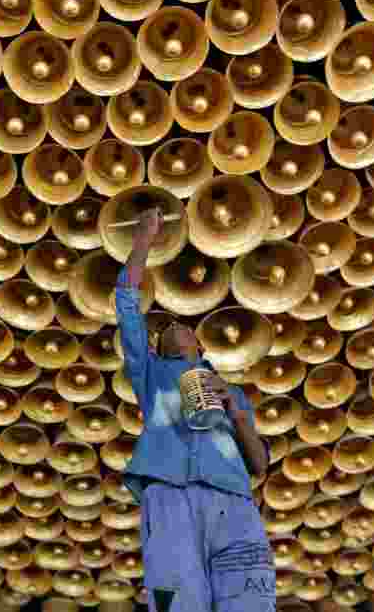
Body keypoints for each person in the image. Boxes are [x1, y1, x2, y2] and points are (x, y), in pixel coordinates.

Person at [114, 207, 276, 612]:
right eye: (165, 329)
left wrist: (236, 414)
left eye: (182, 326)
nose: (174, 327)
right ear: (157, 347)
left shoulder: (231, 391)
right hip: (169, 499)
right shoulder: (151, 375)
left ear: (201, 346)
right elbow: (127, 307)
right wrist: (143, 242)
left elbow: (259, 465)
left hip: (234, 502)